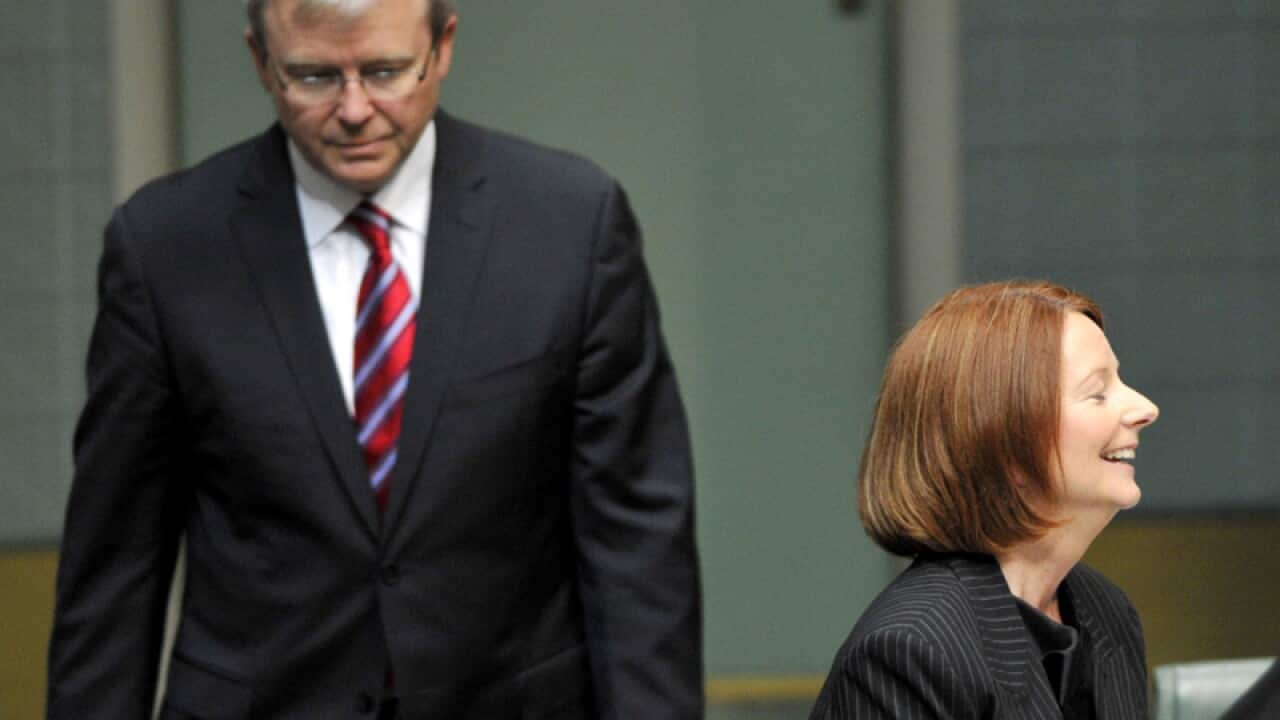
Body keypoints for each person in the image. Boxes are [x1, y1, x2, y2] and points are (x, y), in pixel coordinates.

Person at [46, 0, 702, 717]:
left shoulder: (569, 225)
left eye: (386, 71)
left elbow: (637, 545)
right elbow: (116, 564)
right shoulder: (166, 247)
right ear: (262, 62)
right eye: (315, 76)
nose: (355, 110)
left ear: (442, 47)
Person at [810, 280, 1159, 720]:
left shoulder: (1103, 609)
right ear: (1002, 439)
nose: (1145, 408)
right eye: (1097, 393)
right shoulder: (909, 650)